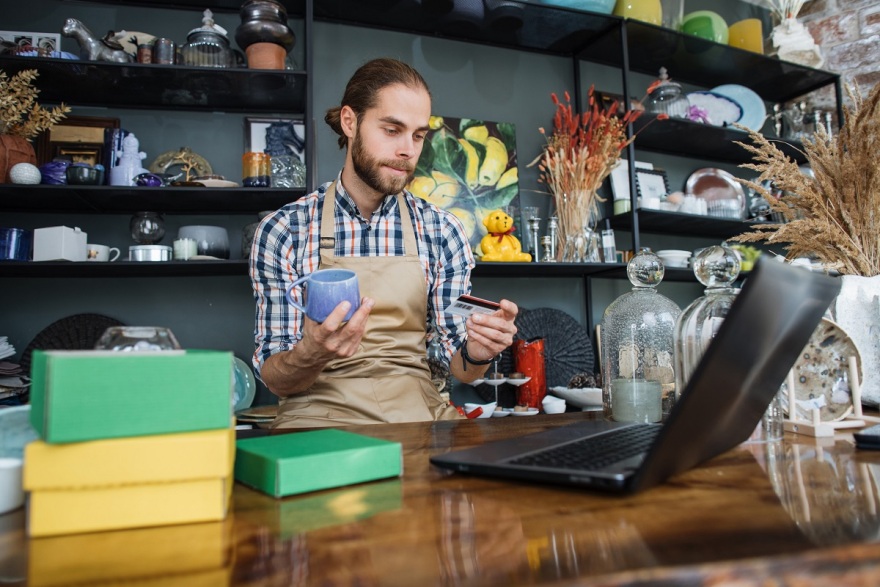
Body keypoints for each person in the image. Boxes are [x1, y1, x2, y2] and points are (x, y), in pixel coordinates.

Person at [249, 57, 519, 429]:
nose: (408, 150)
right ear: (350, 122)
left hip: (417, 418)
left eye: (418, 135)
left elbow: (462, 369)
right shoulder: (284, 230)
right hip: (316, 419)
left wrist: (479, 351)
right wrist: (310, 353)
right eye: (392, 130)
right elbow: (276, 378)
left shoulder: (442, 231)